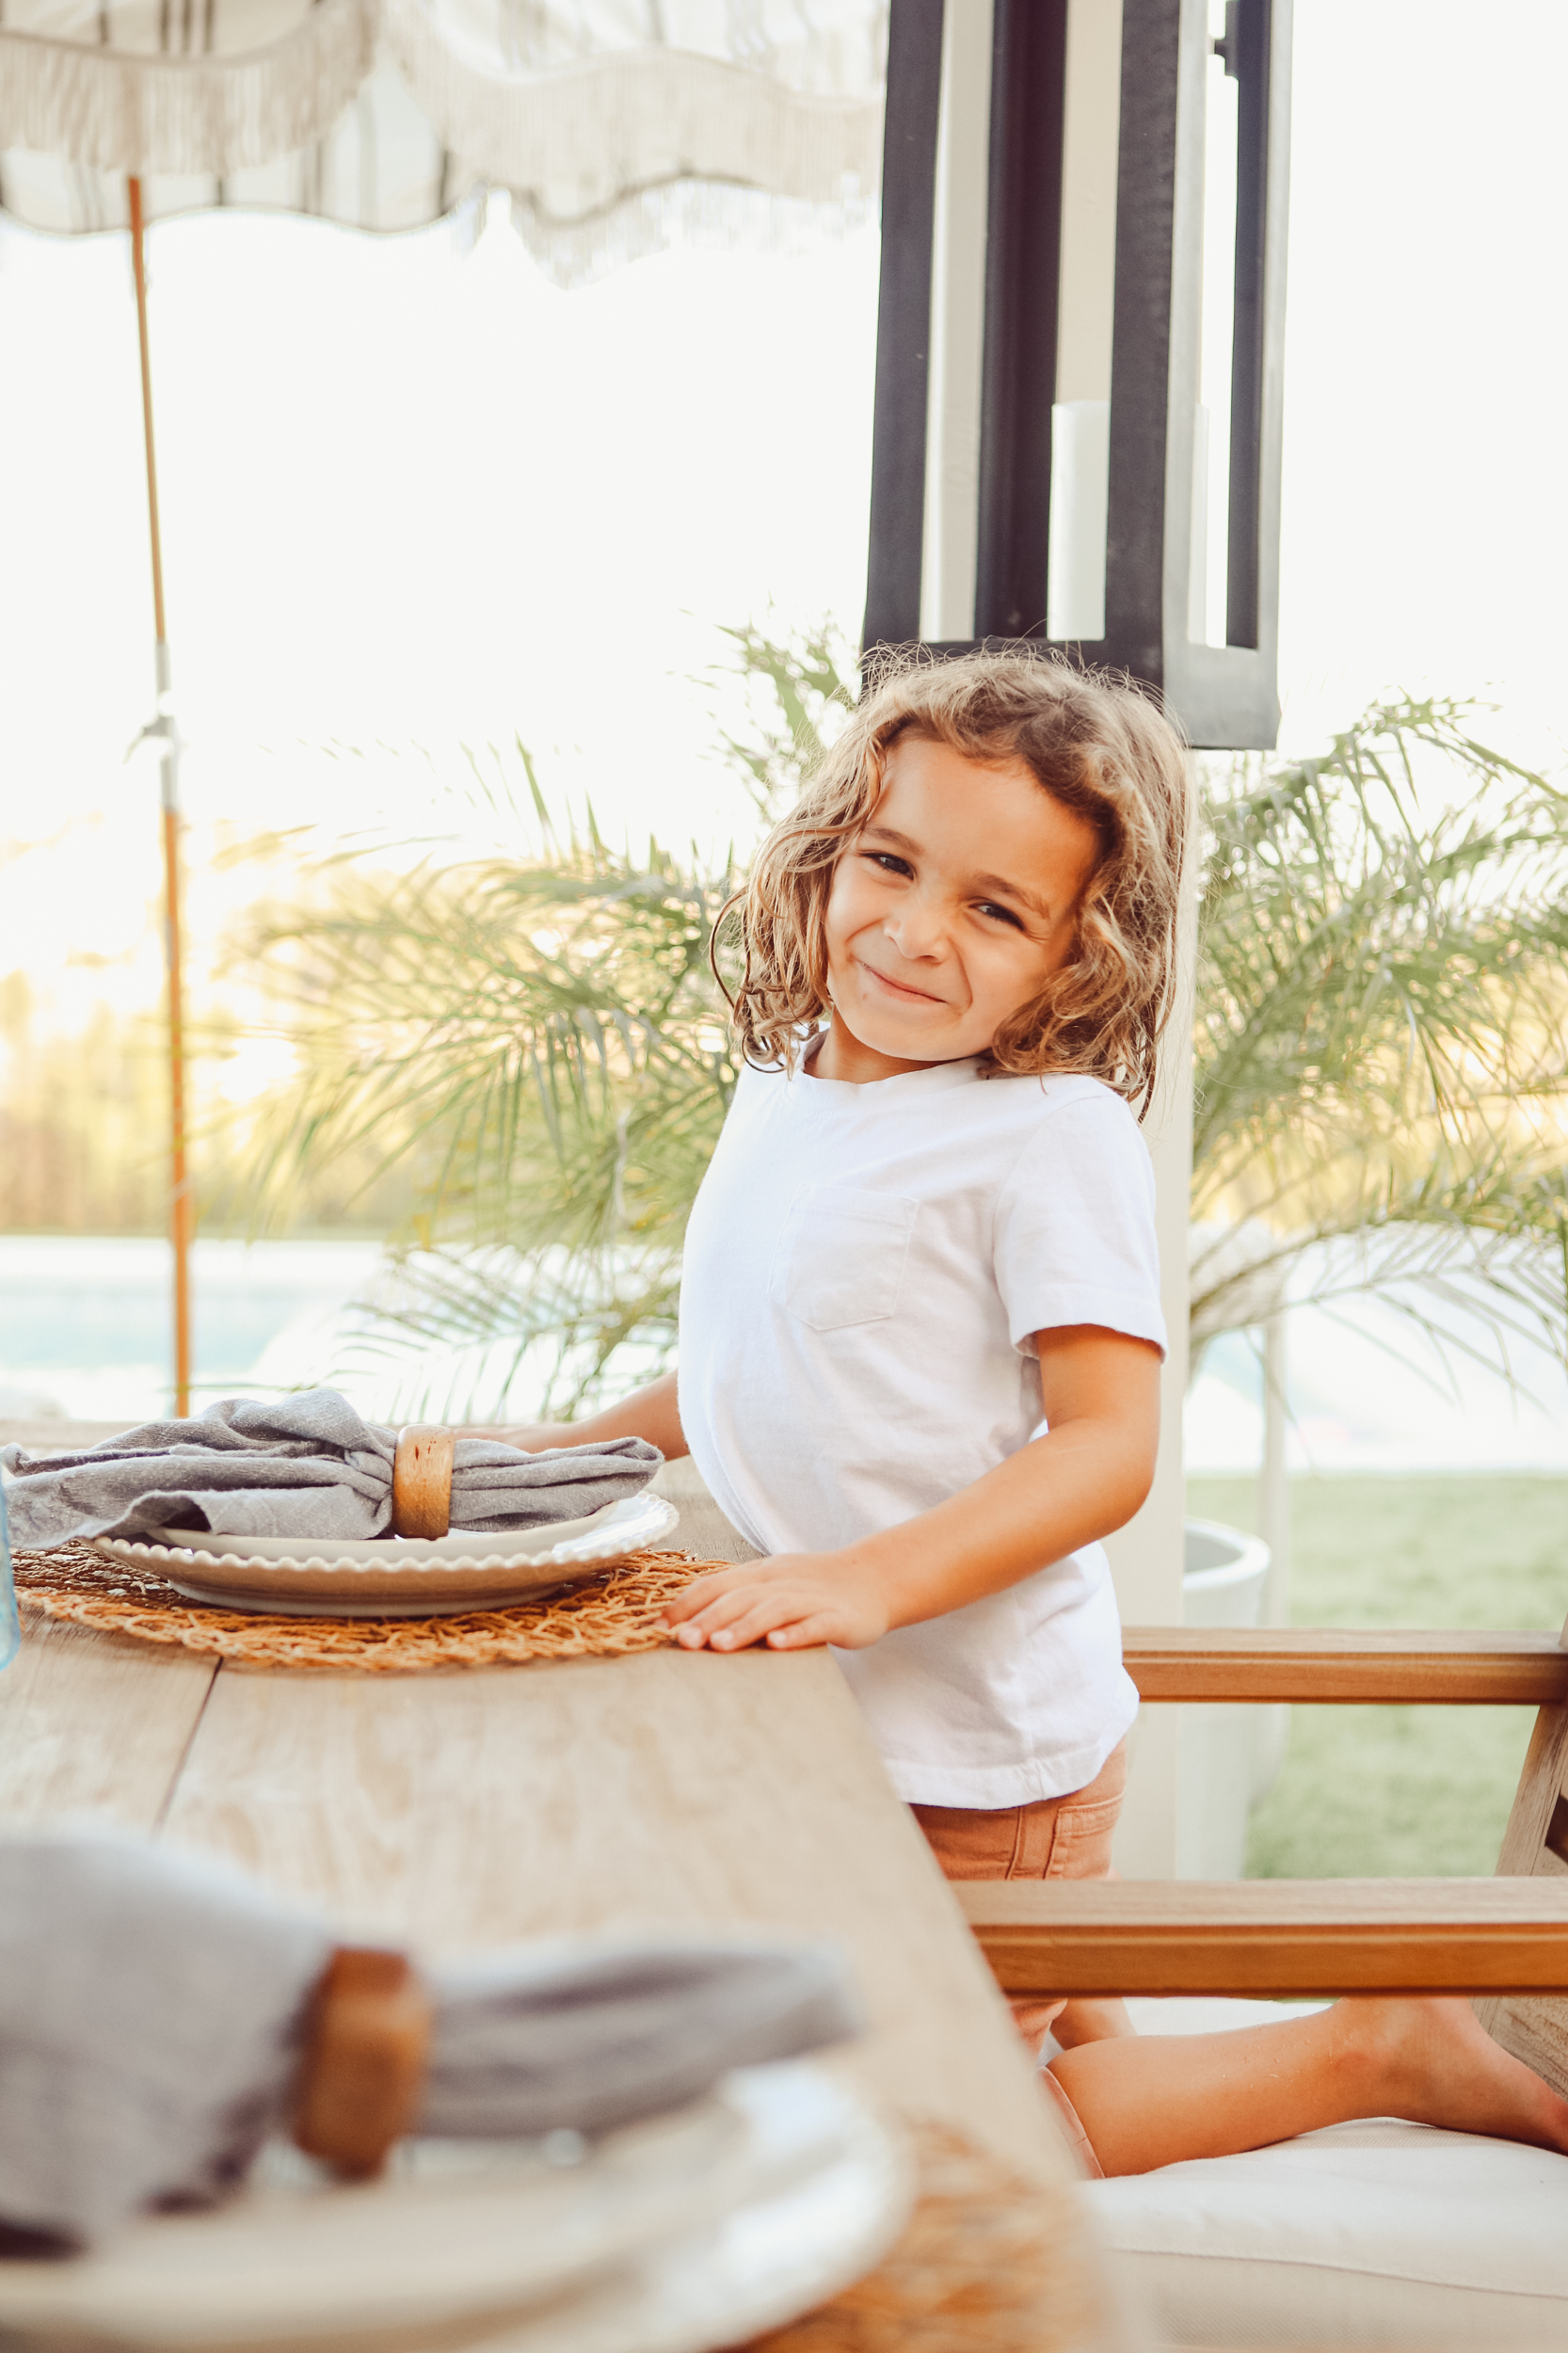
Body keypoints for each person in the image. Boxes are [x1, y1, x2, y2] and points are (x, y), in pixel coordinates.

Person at [472, 648, 1568, 2178]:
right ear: (826, 854)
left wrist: (861, 1581)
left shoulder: (1044, 1138)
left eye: (992, 910)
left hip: (972, 1766)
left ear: (1075, 959)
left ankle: (1371, 2044)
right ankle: (1077, 2016)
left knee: (936, 2150)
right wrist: (582, 1444)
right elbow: (777, 1358)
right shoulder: (791, 1086)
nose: (913, 932)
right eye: (890, 862)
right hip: (832, 1746)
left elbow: (1108, 1446)